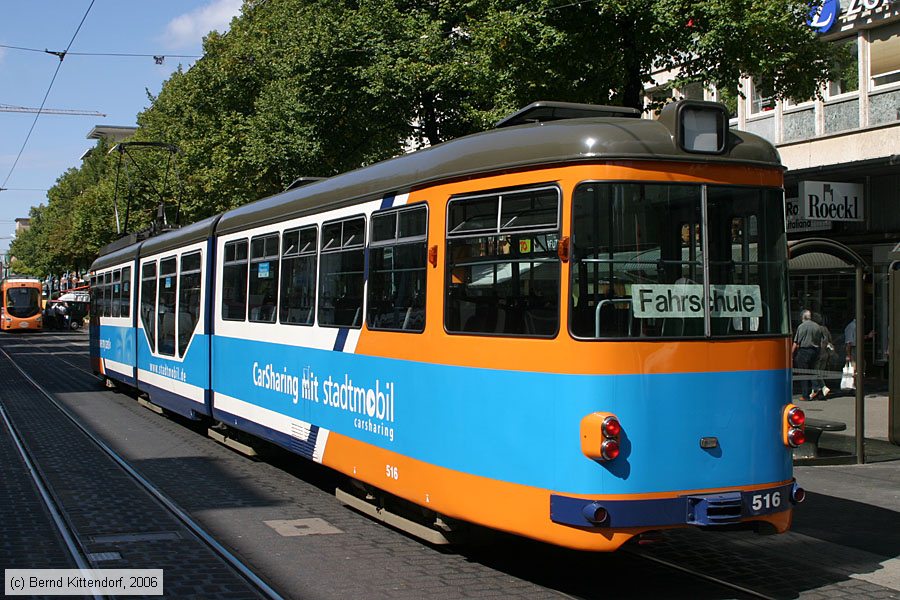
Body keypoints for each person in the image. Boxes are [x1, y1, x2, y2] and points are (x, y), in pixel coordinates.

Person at [792, 309, 822, 402]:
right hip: (815, 350)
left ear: (803, 317)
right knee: (812, 371)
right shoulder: (817, 326)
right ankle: (816, 389)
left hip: (804, 351)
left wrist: (791, 354)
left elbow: (796, 342)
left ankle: (805, 395)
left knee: (803, 374)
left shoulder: (802, 326)